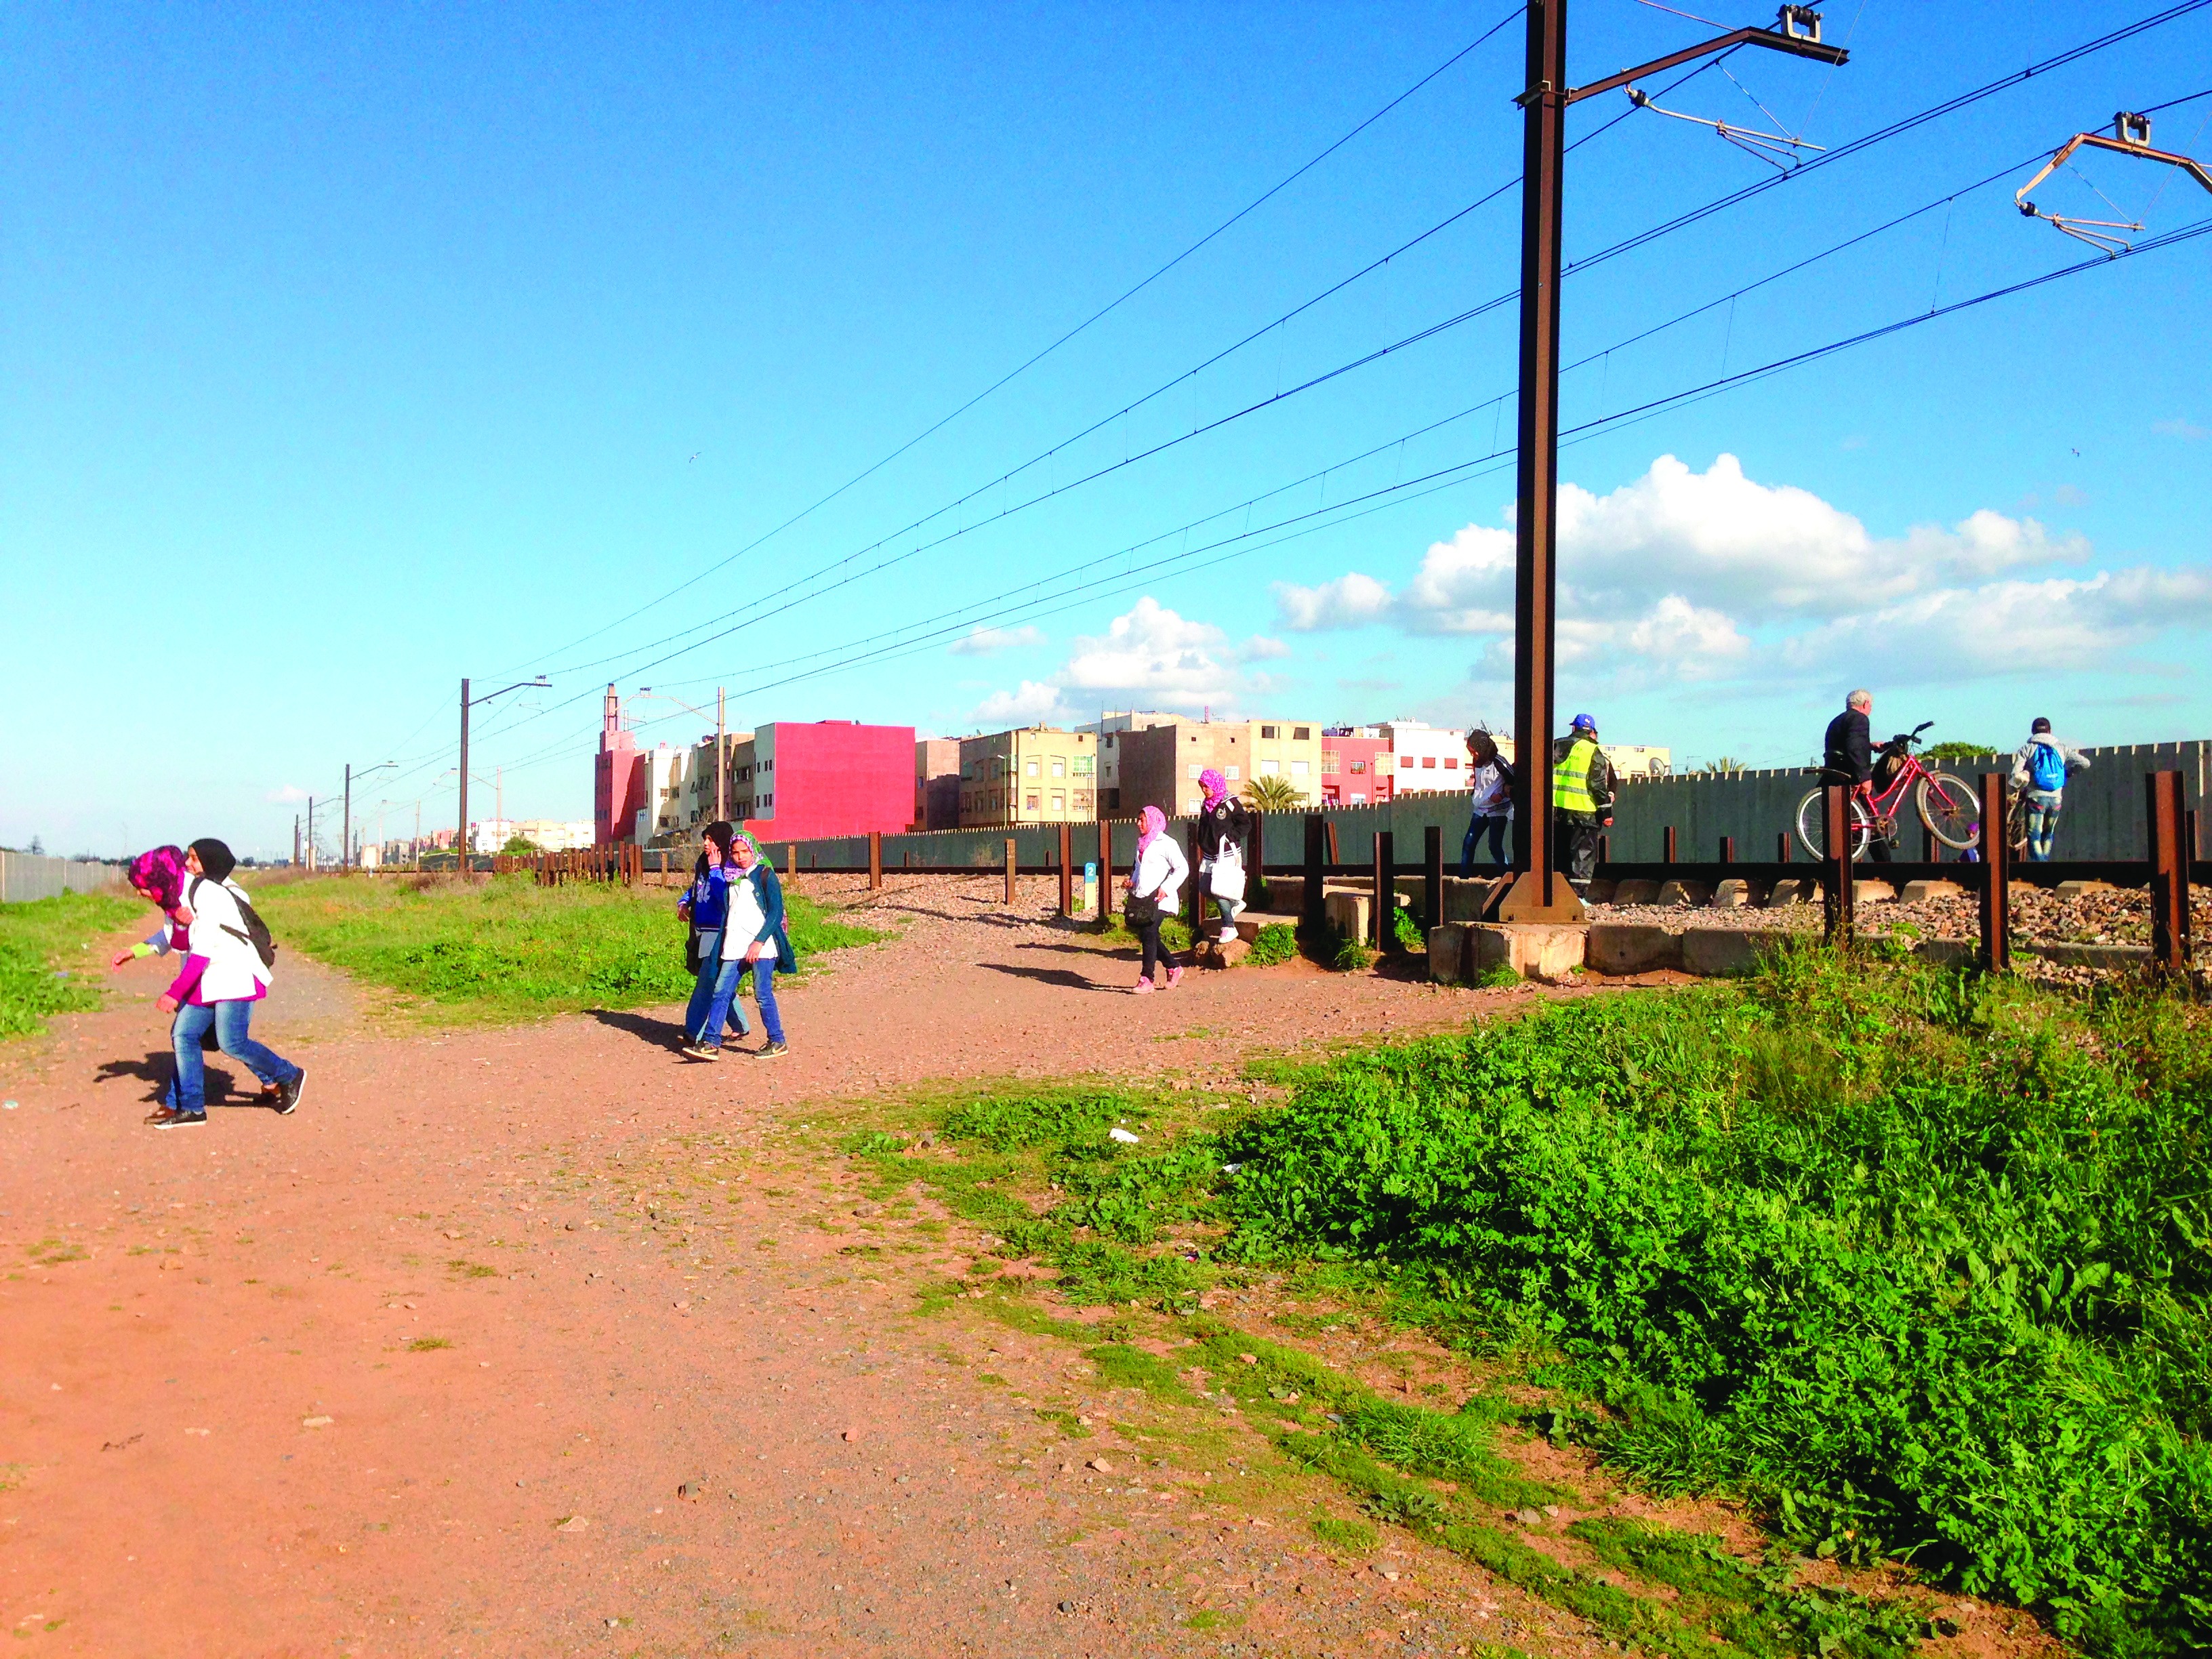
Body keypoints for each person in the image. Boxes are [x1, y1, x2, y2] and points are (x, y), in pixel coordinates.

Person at [121, 839, 304, 1128]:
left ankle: (287, 1075)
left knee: (232, 1041)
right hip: (204, 980)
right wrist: (136, 951)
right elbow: (175, 940)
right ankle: (191, 1108)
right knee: (185, 1035)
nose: (140, 893)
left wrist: (173, 993)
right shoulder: (176, 898)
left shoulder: (213, 894)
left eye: (143, 886)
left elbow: (201, 953)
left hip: (232, 974)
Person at [698, 830, 794, 1058]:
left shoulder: (765, 875)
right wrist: (713, 868)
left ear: (753, 850)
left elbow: (775, 912)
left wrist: (758, 942)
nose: (740, 857)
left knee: (762, 994)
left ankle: (777, 1041)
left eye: (744, 852)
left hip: (761, 947)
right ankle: (711, 1043)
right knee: (721, 992)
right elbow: (722, 904)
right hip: (734, 946)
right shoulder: (730, 878)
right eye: (735, 852)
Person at [674, 822, 752, 1058]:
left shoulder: (729, 868)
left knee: (707, 983)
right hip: (701, 931)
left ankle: (693, 1031)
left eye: (710, 839)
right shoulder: (702, 863)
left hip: (720, 933)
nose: (705, 843)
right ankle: (740, 1026)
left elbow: (724, 899)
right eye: (704, 838)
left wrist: (717, 868)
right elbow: (697, 888)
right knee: (718, 982)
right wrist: (684, 901)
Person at [1821, 688, 1893, 861]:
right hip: (1850, 775)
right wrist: (1865, 777)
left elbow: (1847, 745)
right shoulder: (1860, 719)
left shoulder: (1837, 720)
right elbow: (1854, 748)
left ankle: (1875, 863)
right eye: (1871, 706)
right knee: (1868, 821)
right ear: (1866, 704)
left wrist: (1870, 745)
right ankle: (1886, 867)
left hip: (1833, 772)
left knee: (1857, 821)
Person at [1124, 804, 1187, 992]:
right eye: (1138, 820)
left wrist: (1167, 888)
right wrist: (1132, 884)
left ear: (1152, 820)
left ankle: (1147, 979)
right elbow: (1138, 869)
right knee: (1147, 935)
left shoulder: (1167, 843)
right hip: (1143, 899)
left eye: (1142, 820)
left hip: (1162, 899)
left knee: (1150, 932)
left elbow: (1182, 868)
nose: (1138, 824)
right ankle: (1173, 966)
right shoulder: (1141, 843)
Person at [2010, 717, 2090, 861]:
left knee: (2034, 834)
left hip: (2036, 797)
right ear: (2050, 731)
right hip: (2056, 799)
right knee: (2048, 833)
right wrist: (2068, 773)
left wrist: (2025, 777)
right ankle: (2045, 862)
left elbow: (2016, 775)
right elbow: (2085, 763)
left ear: (2033, 732)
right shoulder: (2061, 748)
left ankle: (2040, 865)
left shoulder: (2027, 749)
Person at [1549, 714, 1616, 884]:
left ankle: (1557, 893)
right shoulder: (1593, 751)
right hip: (1585, 813)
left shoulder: (1556, 745)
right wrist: (1606, 812)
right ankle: (1577, 896)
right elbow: (1598, 785)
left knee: (1557, 856)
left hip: (1556, 811)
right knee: (1583, 857)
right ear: (1592, 731)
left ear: (1574, 728)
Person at [1193, 769, 1250, 945]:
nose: (1205, 790)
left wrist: (1228, 837)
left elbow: (1245, 824)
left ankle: (1229, 926)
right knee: (1205, 887)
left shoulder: (1230, 803)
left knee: (1218, 890)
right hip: (1210, 855)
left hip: (1226, 853)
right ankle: (1234, 903)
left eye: (1207, 786)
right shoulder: (1206, 805)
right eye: (1202, 787)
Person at [1461, 730, 1515, 876]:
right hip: (1480, 809)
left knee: (1494, 845)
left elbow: (1514, 780)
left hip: (1497, 810)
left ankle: (1505, 874)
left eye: (1474, 752)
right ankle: (1464, 876)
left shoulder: (1499, 762)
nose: (1473, 755)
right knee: (1468, 843)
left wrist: (1503, 794)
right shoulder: (1477, 764)